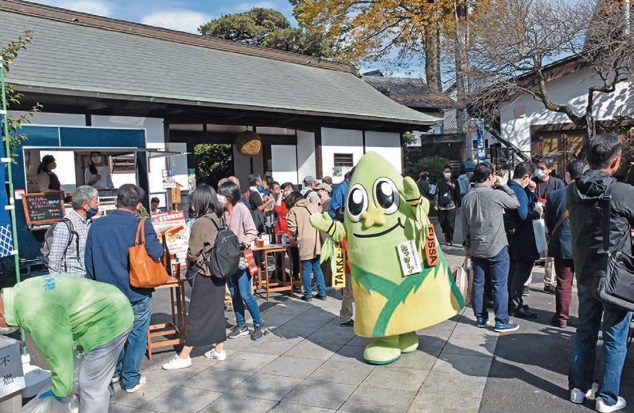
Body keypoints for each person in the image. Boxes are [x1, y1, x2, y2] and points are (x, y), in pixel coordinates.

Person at [567, 134, 634, 412]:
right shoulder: (623, 192)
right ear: (616, 161)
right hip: (616, 275)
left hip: (585, 270)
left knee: (585, 331)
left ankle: (578, 389)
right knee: (615, 338)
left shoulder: (573, 190)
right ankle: (607, 398)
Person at [0, 274, 133, 413]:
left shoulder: (34, 312)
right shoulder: (17, 293)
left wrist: (59, 391)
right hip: (103, 306)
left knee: (91, 385)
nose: (2, 330)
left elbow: (59, 354)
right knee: (88, 379)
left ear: (1, 314)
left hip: (110, 318)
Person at [84, 184, 163, 393]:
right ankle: (130, 378)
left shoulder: (96, 225)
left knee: (111, 335)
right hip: (136, 291)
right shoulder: (142, 224)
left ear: (117, 201)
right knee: (137, 334)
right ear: (138, 205)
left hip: (106, 293)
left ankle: (115, 372)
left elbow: (89, 263)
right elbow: (156, 252)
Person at [162, 185, 228, 370]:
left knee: (197, 314)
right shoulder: (218, 218)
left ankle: (184, 355)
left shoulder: (201, 222)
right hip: (219, 271)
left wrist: (188, 260)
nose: (191, 205)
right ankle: (219, 349)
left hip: (204, 272)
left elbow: (193, 251)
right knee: (216, 311)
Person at [462, 162, 520, 332]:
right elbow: (515, 203)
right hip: (497, 245)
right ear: (490, 177)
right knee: (499, 284)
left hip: (477, 246)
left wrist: (467, 245)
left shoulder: (467, 197)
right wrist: (505, 186)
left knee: (479, 283)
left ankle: (480, 317)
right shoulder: (496, 195)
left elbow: (465, 225)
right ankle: (501, 320)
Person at [219, 180, 267, 341]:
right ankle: (241, 324)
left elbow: (252, 231)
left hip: (241, 257)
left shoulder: (241, 209)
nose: (219, 197)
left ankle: (259, 324)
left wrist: (243, 244)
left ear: (229, 196)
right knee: (234, 293)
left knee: (246, 293)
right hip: (227, 259)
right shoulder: (221, 212)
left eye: (222, 194)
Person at [545, 160, 585, 328]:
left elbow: (549, 221)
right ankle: (585, 318)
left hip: (562, 244)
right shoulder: (593, 193)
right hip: (584, 246)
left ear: (568, 175)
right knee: (585, 285)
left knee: (563, 282)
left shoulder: (555, 195)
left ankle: (562, 316)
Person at [504, 162, 542, 319]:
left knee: (513, 273)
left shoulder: (509, 187)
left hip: (513, 239)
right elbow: (524, 214)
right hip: (522, 240)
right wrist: (537, 213)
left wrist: (531, 191)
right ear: (526, 176)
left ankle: (513, 302)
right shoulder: (517, 190)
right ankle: (515, 304)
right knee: (520, 275)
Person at [48, 185, 99, 277]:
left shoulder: (90, 223)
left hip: (89, 281)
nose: (98, 204)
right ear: (85, 205)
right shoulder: (65, 226)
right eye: (96, 201)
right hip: (73, 282)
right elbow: (54, 261)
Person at [286, 191, 327, 301]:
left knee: (306, 268)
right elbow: (321, 216)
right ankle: (322, 293)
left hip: (304, 241)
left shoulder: (293, 210)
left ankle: (308, 294)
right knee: (317, 268)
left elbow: (292, 228)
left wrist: (296, 234)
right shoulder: (313, 206)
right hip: (317, 240)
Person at [274, 182, 300, 281]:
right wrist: (280, 195)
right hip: (281, 232)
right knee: (279, 257)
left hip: (292, 233)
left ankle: (296, 274)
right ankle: (280, 274)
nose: (285, 193)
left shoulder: (296, 201)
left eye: (286, 191)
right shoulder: (283, 203)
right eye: (283, 191)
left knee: (295, 255)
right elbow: (276, 209)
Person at [434, 165, 461, 246]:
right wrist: (435, 204)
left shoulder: (454, 181)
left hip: (451, 205)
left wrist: (459, 204)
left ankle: (449, 239)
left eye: (449, 172)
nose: (447, 173)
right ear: (443, 173)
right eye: (446, 172)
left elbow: (457, 193)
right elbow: (436, 193)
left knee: (450, 223)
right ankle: (445, 233)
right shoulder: (439, 182)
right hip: (442, 206)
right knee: (442, 222)